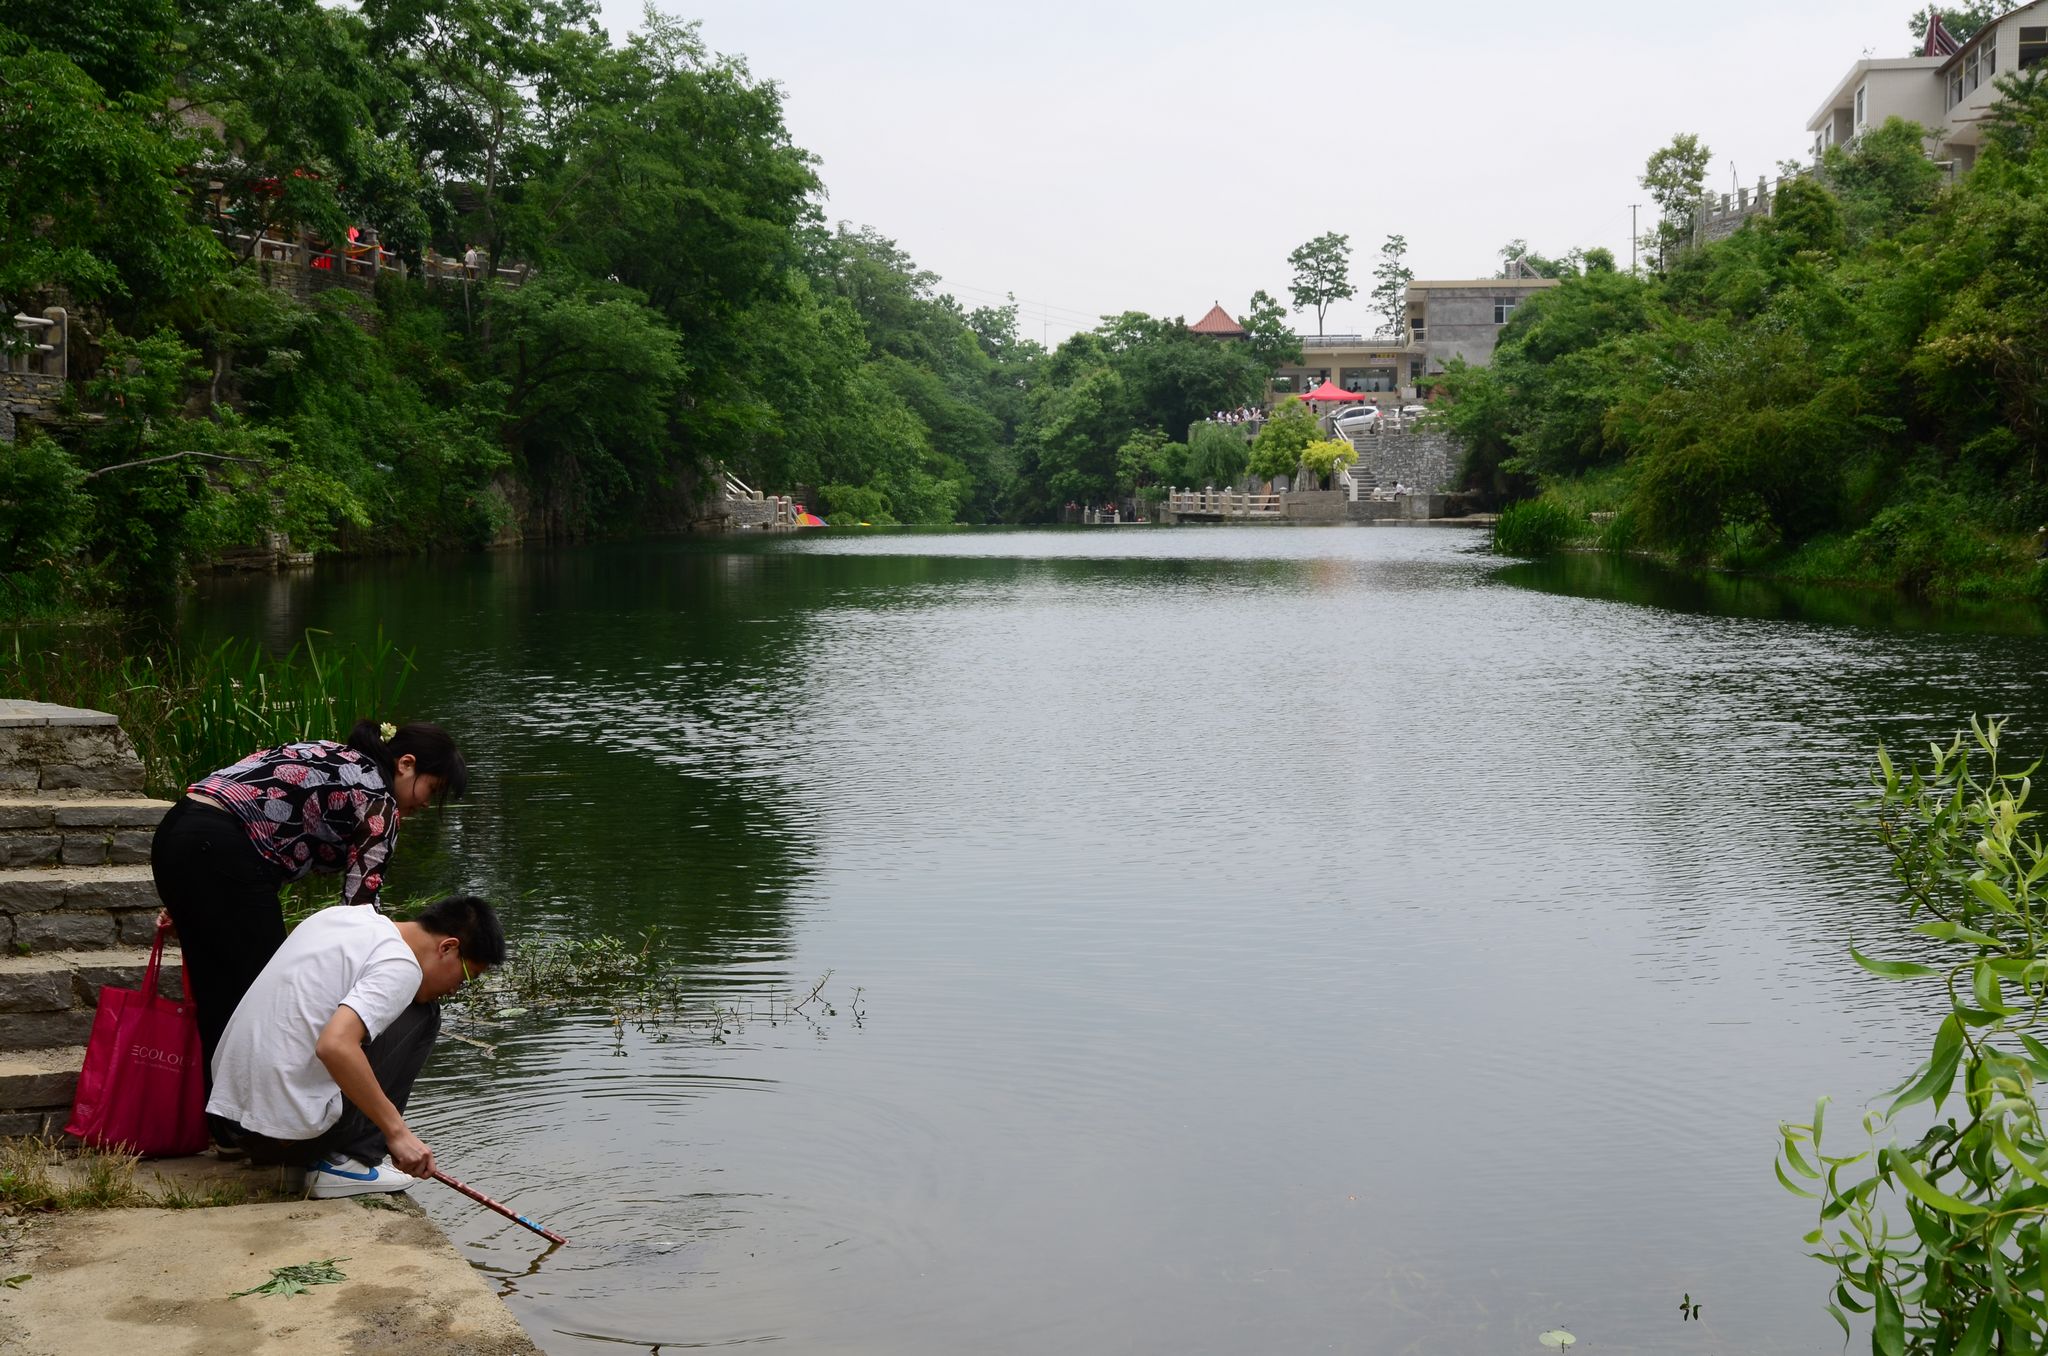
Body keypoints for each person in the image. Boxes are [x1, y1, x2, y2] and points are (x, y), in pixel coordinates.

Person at [150, 721, 467, 1132]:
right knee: (260, 996)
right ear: (406, 765)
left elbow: (259, 817)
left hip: (178, 834)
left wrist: (195, 892)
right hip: (221, 851)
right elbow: (358, 917)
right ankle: (253, 1128)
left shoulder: (333, 754)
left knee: (219, 992)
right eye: (432, 789)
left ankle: (223, 1126)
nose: (426, 805)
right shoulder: (379, 801)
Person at [208, 895, 505, 1196]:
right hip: (280, 1138)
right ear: (448, 947)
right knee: (424, 1014)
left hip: (232, 1124)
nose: (455, 990)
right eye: (467, 977)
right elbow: (334, 1046)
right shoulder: (400, 964)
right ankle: (350, 1161)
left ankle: (309, 1159)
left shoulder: (339, 917)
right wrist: (397, 1133)